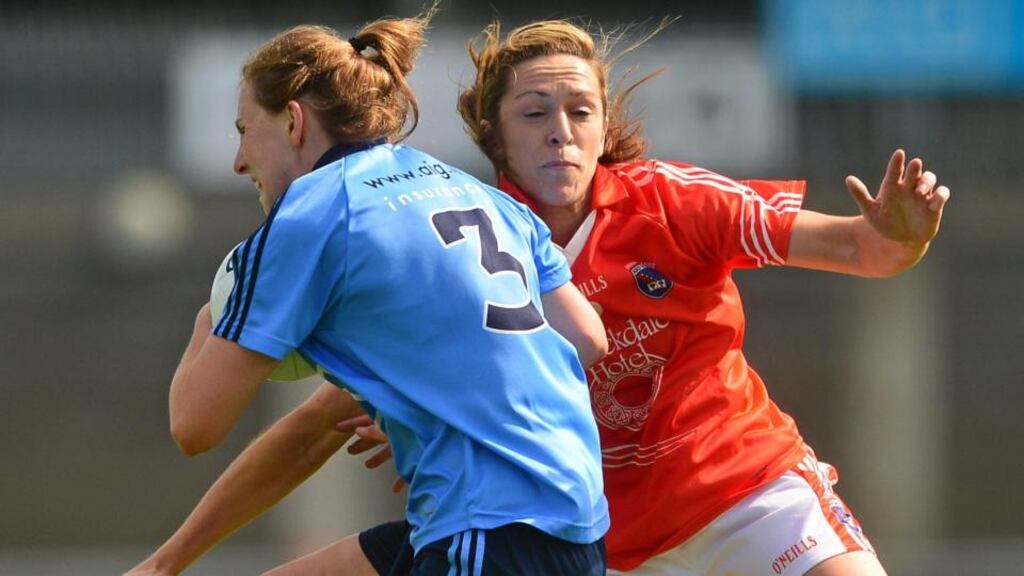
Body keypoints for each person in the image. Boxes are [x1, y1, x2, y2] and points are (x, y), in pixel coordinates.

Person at [332, 18, 951, 576]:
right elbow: (463, 375)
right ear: (493, 133)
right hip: (611, 542)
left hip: (751, 493)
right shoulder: (471, 241)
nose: (561, 134)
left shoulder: (673, 202)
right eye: (534, 113)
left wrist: (897, 236)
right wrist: (430, 416)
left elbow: (864, 251)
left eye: (580, 112)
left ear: (603, 128)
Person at [124, 12, 611, 576]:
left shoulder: (310, 220)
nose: (239, 161)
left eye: (243, 130)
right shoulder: (470, 190)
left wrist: (214, 317)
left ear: (294, 123)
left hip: (486, 530)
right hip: (569, 519)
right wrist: (440, 398)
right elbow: (585, 338)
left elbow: (194, 425)